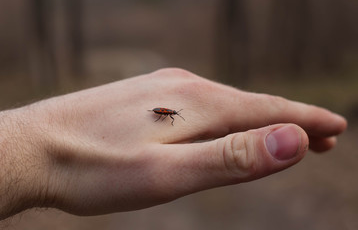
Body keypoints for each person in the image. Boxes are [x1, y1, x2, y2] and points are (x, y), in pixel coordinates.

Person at [0, 68, 347, 220]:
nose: (169, 116)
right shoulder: (163, 112)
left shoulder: (169, 112)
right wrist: (36, 146)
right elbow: (160, 114)